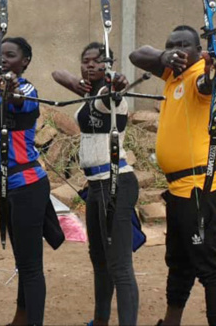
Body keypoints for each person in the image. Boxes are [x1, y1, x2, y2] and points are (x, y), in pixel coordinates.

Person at [129, 25, 216, 326]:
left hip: (200, 187)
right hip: (178, 190)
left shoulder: (200, 74)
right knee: (178, 262)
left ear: (199, 51)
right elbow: (137, 55)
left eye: (183, 45)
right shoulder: (172, 74)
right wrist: (163, 57)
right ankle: (170, 321)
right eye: (171, 45)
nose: (177, 50)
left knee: (210, 266)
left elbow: (207, 85)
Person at [52, 42, 139, 326]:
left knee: (119, 265)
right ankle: (101, 320)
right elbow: (57, 73)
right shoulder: (89, 95)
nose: (90, 65)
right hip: (95, 186)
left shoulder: (109, 97)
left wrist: (116, 83)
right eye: (85, 61)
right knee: (99, 259)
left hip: (116, 183)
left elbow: (113, 94)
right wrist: (77, 83)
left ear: (109, 66)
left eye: (98, 61)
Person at [0, 37, 52, 326]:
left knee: (31, 266)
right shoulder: (0, 91)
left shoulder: (27, 90)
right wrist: (1, 84)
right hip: (10, 186)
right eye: (0, 55)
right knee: (23, 261)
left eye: (10, 55)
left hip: (27, 185)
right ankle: (20, 319)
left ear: (25, 62)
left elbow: (19, 100)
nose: (4, 59)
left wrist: (9, 88)